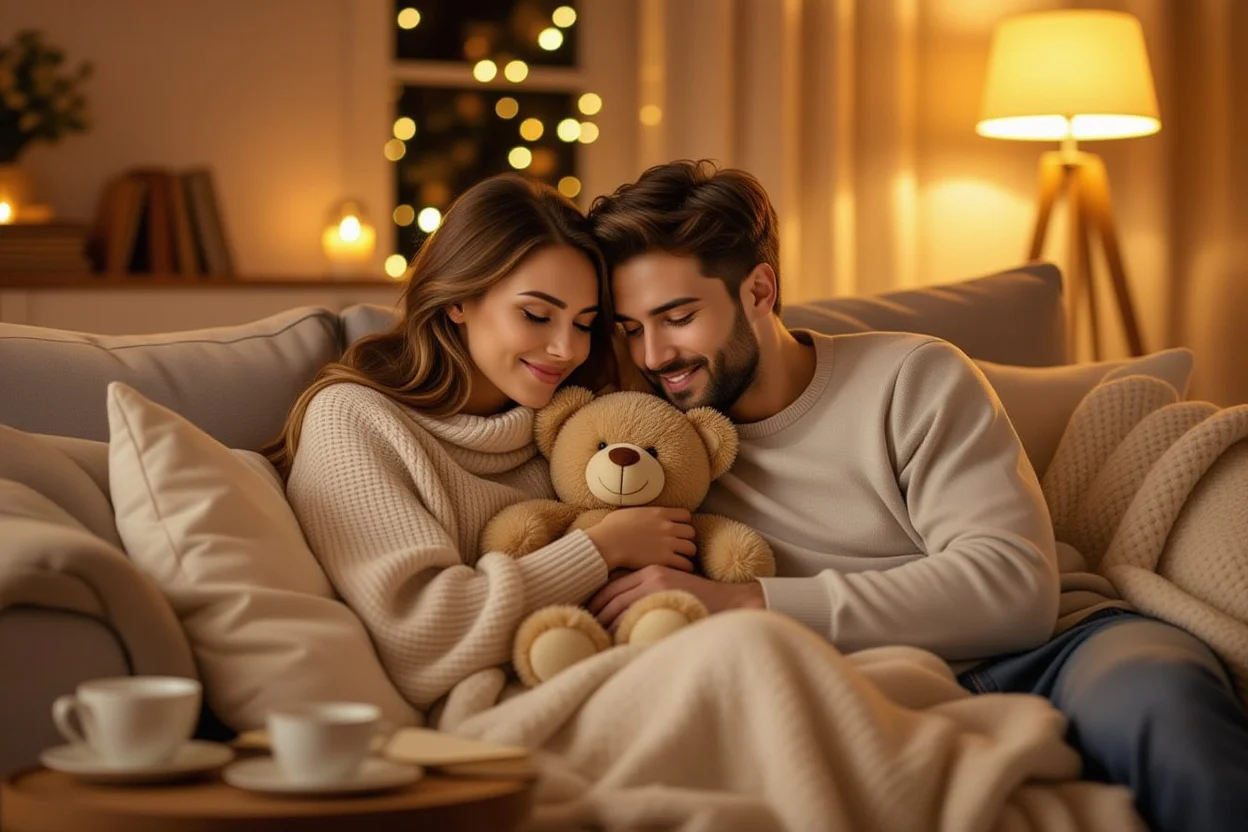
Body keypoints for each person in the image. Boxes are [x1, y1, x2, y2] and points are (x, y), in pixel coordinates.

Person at [585, 159, 1248, 832]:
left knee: (1169, 713)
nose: (654, 354)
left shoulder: (911, 376)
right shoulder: (651, 439)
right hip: (876, 694)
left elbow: (1013, 586)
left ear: (758, 290)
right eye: (631, 327)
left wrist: (743, 601)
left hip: (1052, 652)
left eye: (677, 316)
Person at [266, 173, 698, 713]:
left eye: (584, 323)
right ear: (459, 300)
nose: (566, 349)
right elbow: (421, 637)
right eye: (536, 315)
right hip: (502, 714)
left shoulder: (581, 424)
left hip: (639, 672)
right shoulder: (355, 419)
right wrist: (601, 547)